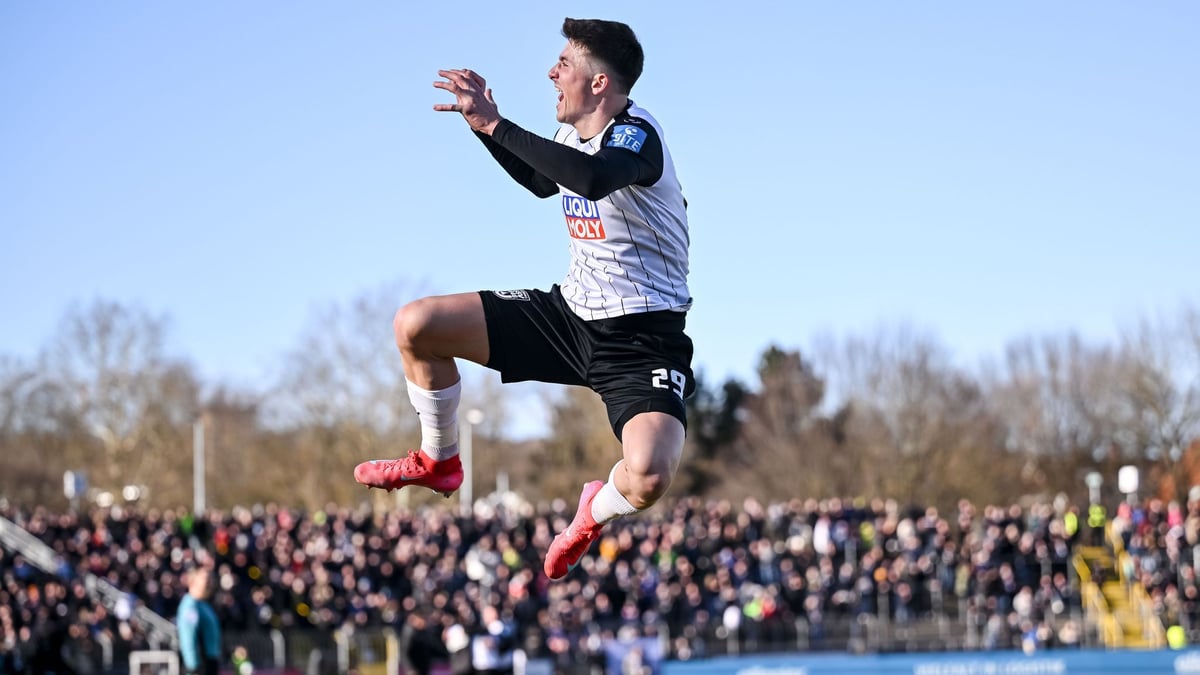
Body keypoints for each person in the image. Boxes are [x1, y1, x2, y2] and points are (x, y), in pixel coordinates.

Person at [354, 17, 694, 581]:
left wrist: (498, 123)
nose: (551, 72)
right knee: (416, 325)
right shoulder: (569, 139)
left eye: (565, 64)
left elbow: (590, 178)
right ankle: (439, 459)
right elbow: (545, 180)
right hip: (568, 317)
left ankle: (592, 511)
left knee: (649, 476)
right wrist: (483, 128)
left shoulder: (637, 134)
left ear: (600, 83)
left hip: (642, 342)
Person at [176, 567, 221, 675]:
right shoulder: (190, 605)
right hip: (200, 665)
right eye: (205, 579)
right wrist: (193, 667)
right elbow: (188, 637)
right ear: (193, 581)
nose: (209, 582)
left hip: (210, 661)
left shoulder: (203, 604)